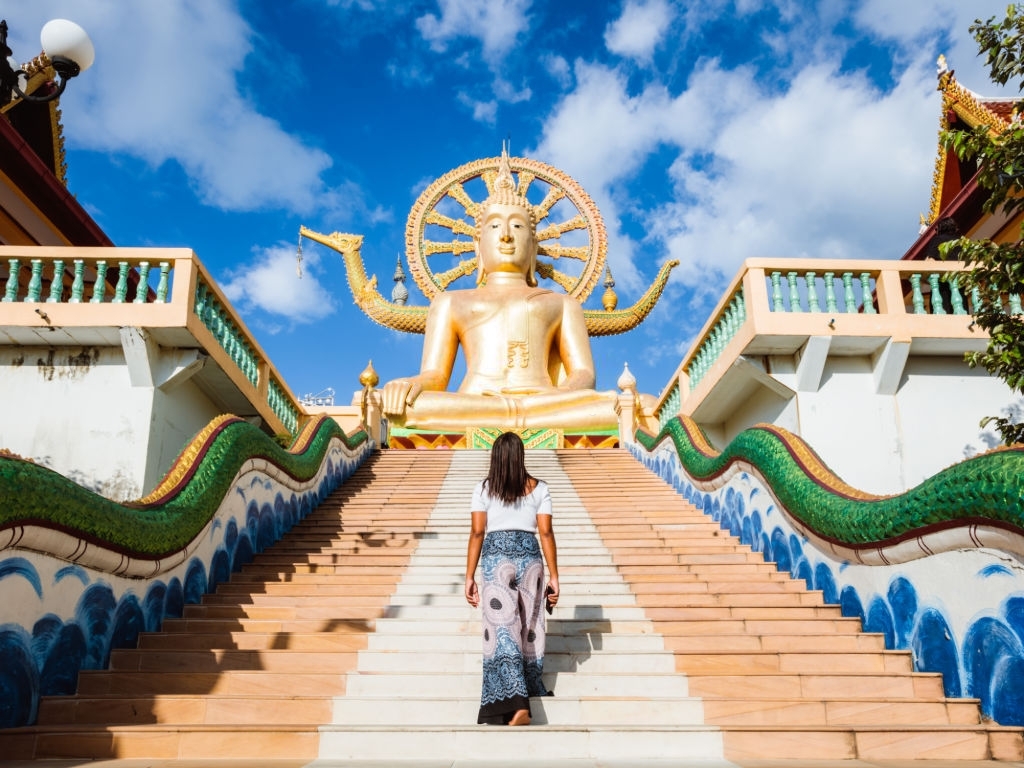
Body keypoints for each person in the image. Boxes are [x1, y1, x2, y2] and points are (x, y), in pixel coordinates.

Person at [379, 149, 618, 432]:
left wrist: (561, 394)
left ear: (534, 247)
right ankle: (521, 417)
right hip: (476, 403)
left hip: (544, 402)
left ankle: (523, 415)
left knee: (619, 405)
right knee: (398, 403)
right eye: (494, 226)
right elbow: (435, 376)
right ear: (479, 246)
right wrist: (410, 384)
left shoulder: (563, 304)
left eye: (517, 225)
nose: (506, 235)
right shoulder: (450, 302)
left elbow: (583, 374)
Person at [464, 431, 559, 725]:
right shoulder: (540, 488)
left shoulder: (483, 489)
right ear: (521, 456)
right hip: (531, 558)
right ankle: (529, 685)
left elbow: (478, 532)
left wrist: (469, 576)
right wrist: (555, 575)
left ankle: (515, 704)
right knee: (530, 625)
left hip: (496, 558)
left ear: (495, 457)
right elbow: (545, 532)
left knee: (502, 628)